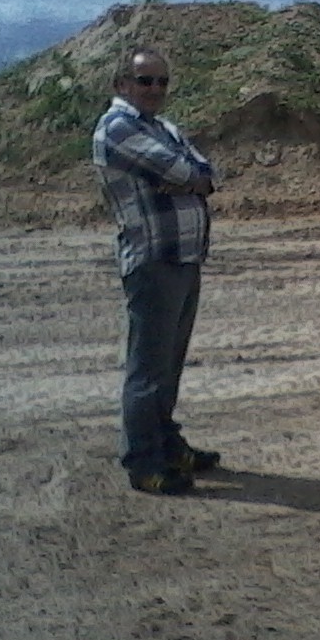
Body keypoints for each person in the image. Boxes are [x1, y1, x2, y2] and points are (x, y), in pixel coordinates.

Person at [92, 47, 221, 495]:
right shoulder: (118, 127)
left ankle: (166, 444)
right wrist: (189, 177)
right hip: (153, 259)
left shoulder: (161, 127)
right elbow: (182, 167)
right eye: (145, 81)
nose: (155, 90)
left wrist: (192, 177)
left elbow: (205, 171)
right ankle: (144, 462)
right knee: (148, 370)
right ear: (122, 84)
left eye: (162, 82)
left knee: (168, 365)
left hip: (182, 256)